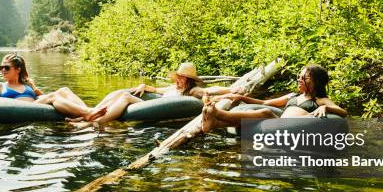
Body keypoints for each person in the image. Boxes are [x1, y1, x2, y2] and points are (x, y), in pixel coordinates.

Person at [69, 62, 241, 128]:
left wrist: (230, 91)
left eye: (182, 78)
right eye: (178, 77)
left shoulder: (192, 91)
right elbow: (157, 91)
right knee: (121, 92)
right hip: (150, 104)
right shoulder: (173, 88)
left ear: (189, 80)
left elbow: (211, 90)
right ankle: (89, 115)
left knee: (125, 97)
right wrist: (145, 85)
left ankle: (95, 122)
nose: (179, 80)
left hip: (158, 108)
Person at [200, 64, 347, 132]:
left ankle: (218, 114)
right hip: (279, 125)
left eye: (305, 77)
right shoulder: (293, 96)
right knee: (258, 115)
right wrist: (240, 97)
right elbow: (264, 102)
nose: (300, 80)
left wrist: (325, 107)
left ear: (317, 82)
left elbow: (343, 112)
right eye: (299, 77)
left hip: (294, 128)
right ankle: (215, 123)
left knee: (266, 113)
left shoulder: (319, 100)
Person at [0, 53, 106, 121]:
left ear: (18, 69)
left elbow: (42, 98)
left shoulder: (27, 84)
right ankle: (87, 113)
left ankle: (86, 114)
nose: (3, 70)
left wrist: (35, 89)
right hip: (18, 109)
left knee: (64, 90)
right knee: (54, 95)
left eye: (6, 67)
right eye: (1, 68)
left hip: (36, 107)